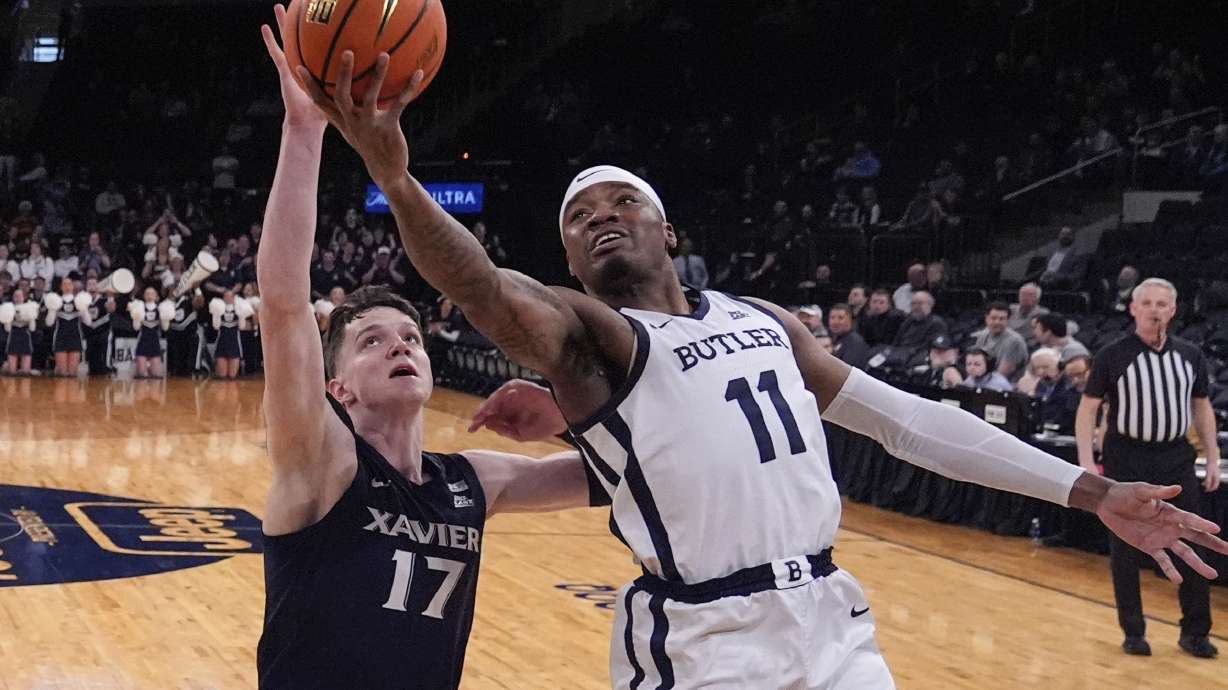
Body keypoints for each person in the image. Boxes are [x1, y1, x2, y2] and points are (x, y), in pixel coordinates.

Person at [305, 51, 1228, 688]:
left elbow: (909, 423)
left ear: (668, 228)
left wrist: (1089, 491)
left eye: (622, 201)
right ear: (573, 266)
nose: (600, 217)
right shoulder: (592, 336)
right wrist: (395, 179)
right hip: (704, 640)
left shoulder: (766, 321)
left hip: (829, 614)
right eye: (579, 218)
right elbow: (481, 286)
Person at [255, 17, 590, 688]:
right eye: (371, 341)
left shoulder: (473, 481)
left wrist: (567, 415)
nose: (399, 347)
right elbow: (286, 301)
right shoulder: (323, 460)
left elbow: (618, 475)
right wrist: (303, 131)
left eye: (409, 338)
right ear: (337, 386)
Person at [1075, 278, 1222, 659]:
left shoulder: (1191, 355)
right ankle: (1133, 630)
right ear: (1133, 309)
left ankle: (1195, 631)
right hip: (1127, 456)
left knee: (1189, 536)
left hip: (1176, 456)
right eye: (1148, 303)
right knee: (1124, 543)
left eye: (1162, 304)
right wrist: (1088, 464)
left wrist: (1213, 454)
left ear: (1173, 310)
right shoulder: (1112, 354)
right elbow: (1088, 408)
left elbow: (1201, 405)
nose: (1155, 310)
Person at [973, 302, 1029, 380]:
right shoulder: (983, 335)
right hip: (983, 379)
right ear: (986, 318)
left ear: (1008, 320)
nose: (997, 322)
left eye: (1001, 319)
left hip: (1006, 385)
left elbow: (1001, 375)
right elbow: (974, 363)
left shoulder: (1014, 341)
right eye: (993, 318)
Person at [48, 277, 89, 377]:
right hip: (60, 338)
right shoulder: (56, 301)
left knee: (72, 374)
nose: (67, 286)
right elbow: (49, 323)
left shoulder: (79, 301)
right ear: (61, 287)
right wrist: (52, 310)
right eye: (64, 284)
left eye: (69, 284)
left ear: (73, 287)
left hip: (75, 338)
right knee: (63, 374)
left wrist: (84, 309)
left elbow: (88, 322)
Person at [129, 286, 166, 378]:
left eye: (152, 294)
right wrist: (136, 317)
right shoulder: (139, 308)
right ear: (144, 296)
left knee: (156, 375)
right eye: (147, 293)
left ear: (156, 296)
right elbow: (136, 328)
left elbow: (165, 328)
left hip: (155, 343)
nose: (149, 295)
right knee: (142, 375)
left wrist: (165, 319)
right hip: (142, 342)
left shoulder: (160, 309)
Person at [828, 303, 869, 370]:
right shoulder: (834, 339)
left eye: (840, 318)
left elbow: (847, 370)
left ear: (850, 320)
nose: (835, 322)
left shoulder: (855, 342)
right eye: (832, 318)